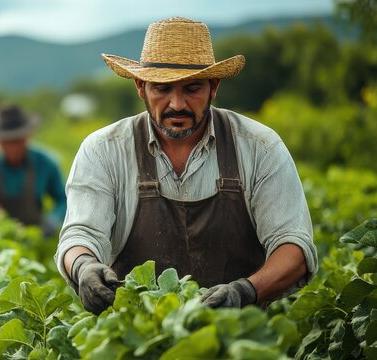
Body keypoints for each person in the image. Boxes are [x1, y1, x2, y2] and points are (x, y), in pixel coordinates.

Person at [54, 17, 318, 314]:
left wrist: (245, 291)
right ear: (141, 87)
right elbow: (81, 235)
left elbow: (294, 248)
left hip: (240, 335)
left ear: (213, 87)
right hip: (135, 335)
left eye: (191, 89)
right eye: (162, 89)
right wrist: (84, 266)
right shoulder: (104, 150)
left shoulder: (259, 147)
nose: (177, 104)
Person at [0, 104, 67, 237]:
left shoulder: (46, 162)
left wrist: (51, 223)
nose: (13, 148)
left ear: (28, 136)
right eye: (6, 142)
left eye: (18, 140)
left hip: (34, 236)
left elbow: (63, 199)